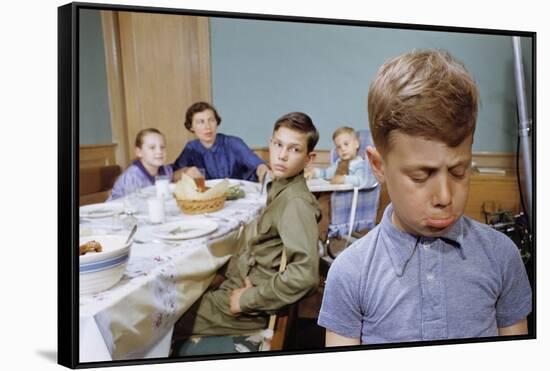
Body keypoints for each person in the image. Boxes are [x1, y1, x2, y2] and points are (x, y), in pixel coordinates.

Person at [318, 49, 532, 346]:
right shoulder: (350, 273)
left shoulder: (502, 257)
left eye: (459, 171)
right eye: (420, 177)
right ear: (379, 166)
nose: (445, 197)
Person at [170, 112, 321, 352]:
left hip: (249, 305)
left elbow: (305, 275)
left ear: (308, 158)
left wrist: (246, 300)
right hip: (243, 283)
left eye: (294, 149)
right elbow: (263, 249)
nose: (282, 155)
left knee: (164, 319)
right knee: (180, 290)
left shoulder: (295, 203)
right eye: (278, 144)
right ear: (271, 144)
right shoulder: (280, 188)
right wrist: (225, 273)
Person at [172, 101, 269, 182]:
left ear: (217, 122)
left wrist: (263, 172)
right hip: (209, 200)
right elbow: (173, 174)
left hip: (240, 195)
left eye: (211, 120)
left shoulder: (233, 143)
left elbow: (258, 165)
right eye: (201, 122)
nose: (207, 127)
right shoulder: (191, 148)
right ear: (191, 127)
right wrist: (186, 171)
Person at [109, 128, 173, 200]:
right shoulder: (132, 177)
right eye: (152, 147)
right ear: (139, 152)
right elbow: (132, 205)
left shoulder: (166, 171)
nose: (159, 151)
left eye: (162, 147)